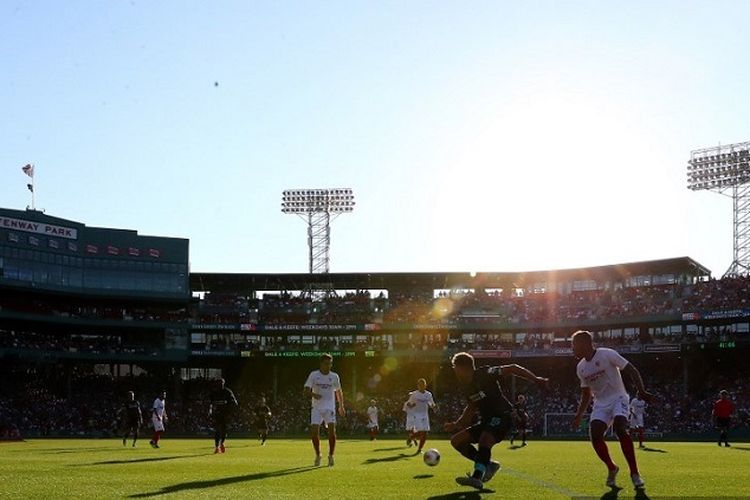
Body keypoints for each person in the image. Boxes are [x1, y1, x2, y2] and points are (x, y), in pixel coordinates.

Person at [446, 352, 549, 490]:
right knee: (456, 440)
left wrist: (536, 379)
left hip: (502, 416)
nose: (454, 372)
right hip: (486, 421)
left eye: (455, 368)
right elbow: (471, 407)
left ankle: (476, 477)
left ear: (463, 368)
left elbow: (512, 368)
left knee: (485, 439)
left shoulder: (485, 373)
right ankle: (488, 464)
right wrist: (456, 424)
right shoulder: (467, 387)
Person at [571, 330, 654, 490]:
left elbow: (632, 370)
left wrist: (642, 391)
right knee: (595, 436)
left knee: (620, 430)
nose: (572, 349)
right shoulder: (581, 367)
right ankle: (612, 468)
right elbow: (586, 393)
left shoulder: (606, 354)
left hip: (619, 398)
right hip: (600, 404)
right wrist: (579, 415)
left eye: (574, 345)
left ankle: (635, 474)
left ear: (585, 344)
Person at [303, 353, 345, 467]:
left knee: (332, 431)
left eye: (330, 364)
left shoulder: (334, 376)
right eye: (326, 363)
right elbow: (305, 391)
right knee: (314, 433)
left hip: (329, 407)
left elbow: (338, 391)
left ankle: (331, 456)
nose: (328, 366)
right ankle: (318, 455)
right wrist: (313, 395)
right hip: (316, 408)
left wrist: (341, 405)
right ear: (321, 364)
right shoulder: (314, 375)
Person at [405, 378, 436, 454]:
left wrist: (434, 407)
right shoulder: (414, 394)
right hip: (417, 415)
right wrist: (412, 405)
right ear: (418, 386)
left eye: (423, 385)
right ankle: (411, 437)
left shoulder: (428, 394)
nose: (422, 386)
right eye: (420, 385)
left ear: (425, 385)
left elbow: (432, 404)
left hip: (425, 415)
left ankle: (419, 449)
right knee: (421, 432)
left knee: (425, 433)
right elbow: (408, 404)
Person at [209, 378, 238, 454]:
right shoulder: (215, 393)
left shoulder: (227, 392)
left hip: (224, 414)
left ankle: (220, 444)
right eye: (218, 383)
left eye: (220, 383)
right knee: (219, 430)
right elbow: (210, 403)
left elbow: (234, 402)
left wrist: (230, 408)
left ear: (223, 383)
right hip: (219, 414)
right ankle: (218, 445)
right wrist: (210, 410)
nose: (219, 385)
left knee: (221, 430)